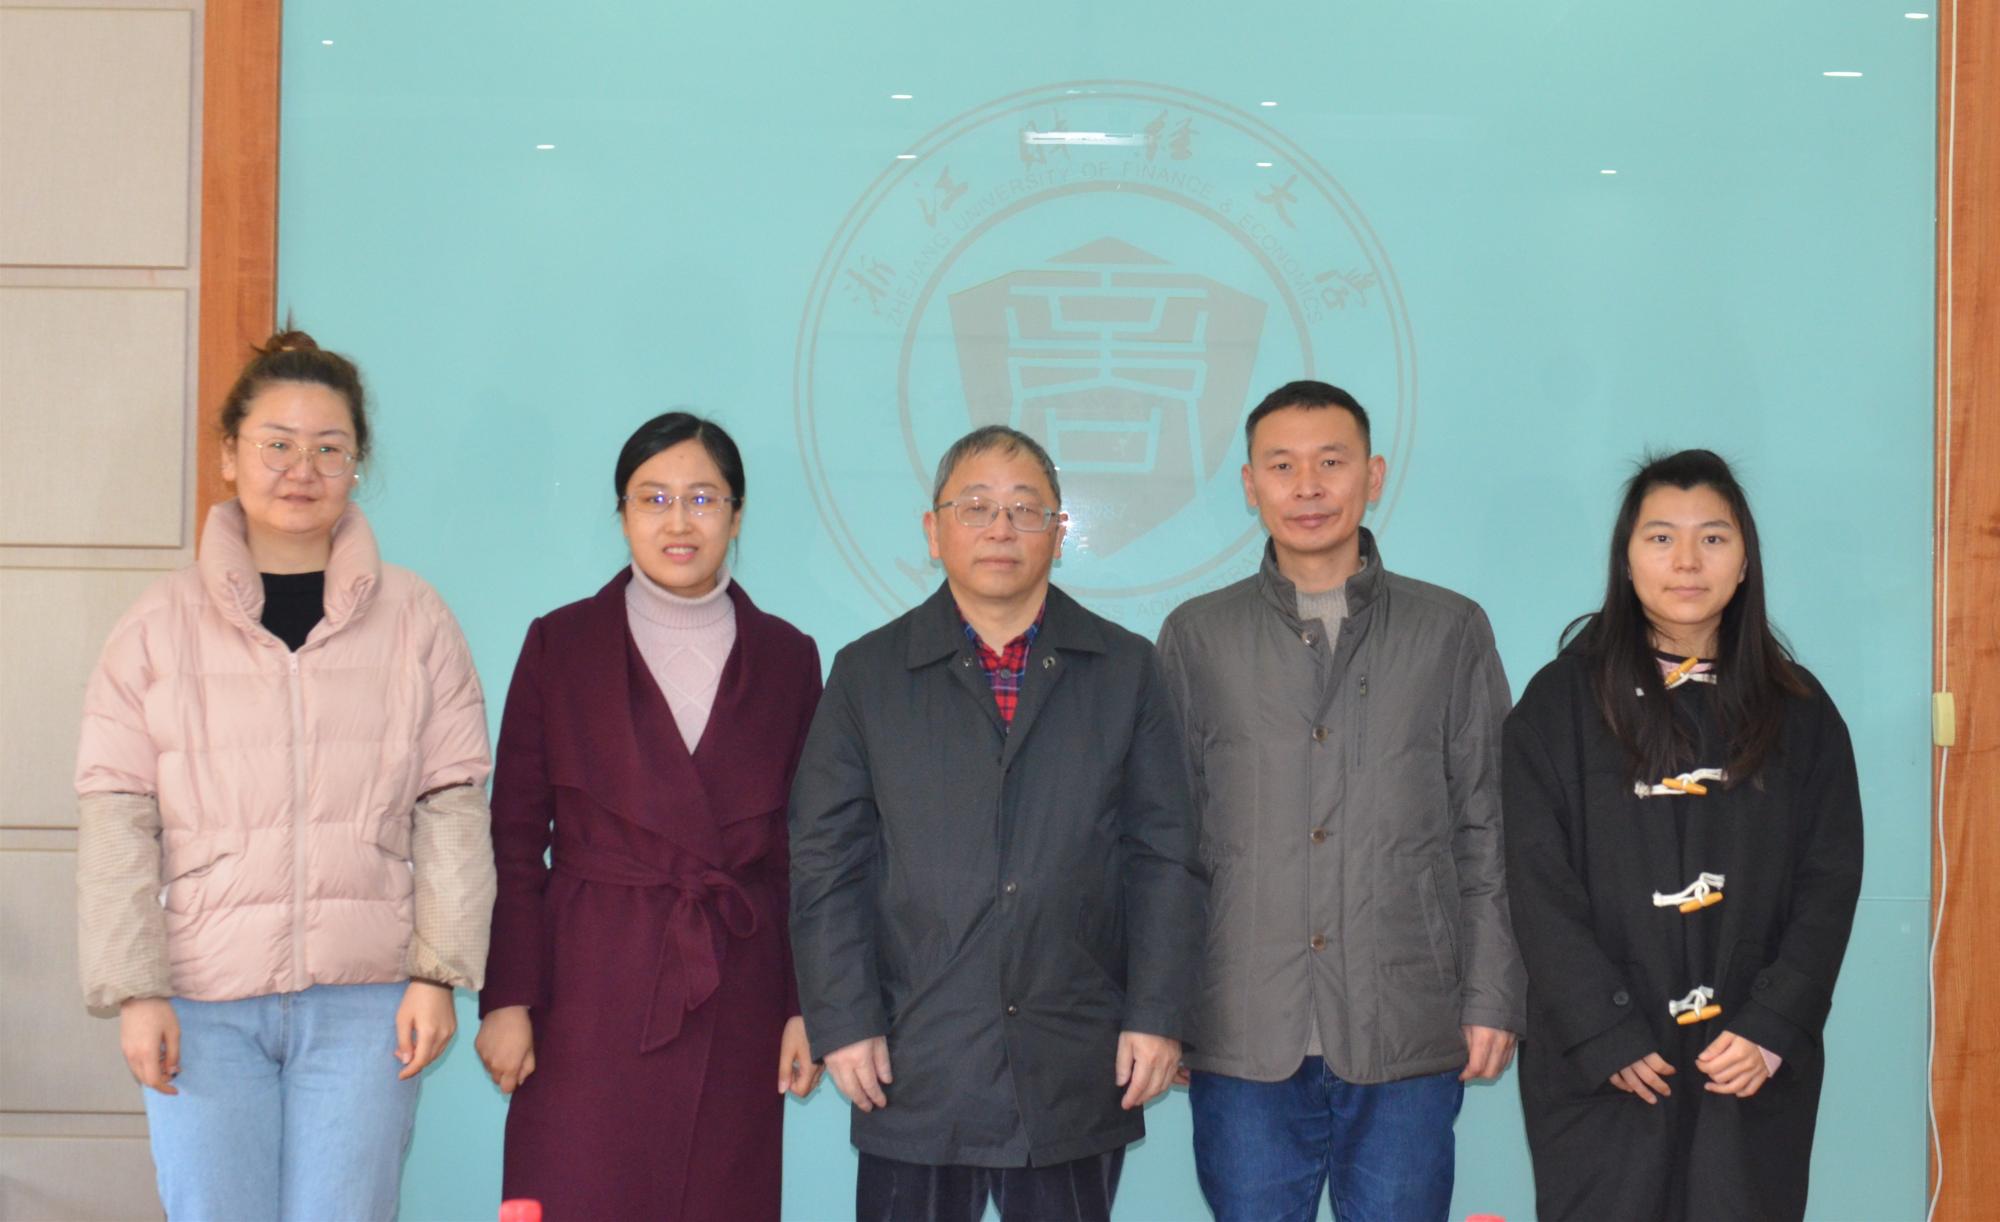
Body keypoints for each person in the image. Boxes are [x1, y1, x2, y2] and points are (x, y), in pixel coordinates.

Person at [74, 330, 497, 1221]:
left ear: (357, 464)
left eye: (328, 448)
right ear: (230, 455)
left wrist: (437, 973)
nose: (302, 469)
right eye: (277, 444)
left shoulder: (416, 619)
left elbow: (452, 807)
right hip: (201, 1004)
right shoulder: (156, 626)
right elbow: (117, 817)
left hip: (366, 1007)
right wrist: (136, 990)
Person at [789, 425, 1205, 1222]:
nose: (1001, 529)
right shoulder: (868, 675)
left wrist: (1158, 1016)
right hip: (912, 1057)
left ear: (1059, 530)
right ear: (933, 530)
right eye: (975, 507)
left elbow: (1165, 858)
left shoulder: (1124, 670)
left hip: (1074, 1057)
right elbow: (825, 862)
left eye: (1025, 509)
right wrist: (844, 1021)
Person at [1155, 380, 1526, 1222]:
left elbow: (1487, 825)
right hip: (1242, 1027)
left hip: (1408, 1023)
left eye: (1331, 462)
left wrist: (1492, 996)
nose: (1308, 486)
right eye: (1282, 466)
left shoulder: (1449, 630)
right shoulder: (1197, 637)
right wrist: (1162, 1008)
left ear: (1374, 475)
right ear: (1250, 485)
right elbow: (1166, 845)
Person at [473, 412, 823, 1220]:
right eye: (653, 497)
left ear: (737, 515)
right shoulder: (561, 644)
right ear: (622, 513)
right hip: (585, 988)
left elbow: (805, 854)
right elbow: (515, 840)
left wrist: (805, 1005)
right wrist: (507, 998)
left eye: (703, 498)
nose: (678, 521)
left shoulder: (788, 656)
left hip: (737, 982)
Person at [1502, 448, 1863, 1221]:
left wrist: (1773, 1024)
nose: (1688, 561)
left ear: (1745, 561)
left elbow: (1830, 883)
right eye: (1661, 537)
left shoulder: (1801, 712)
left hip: (1747, 1059)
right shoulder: (1557, 705)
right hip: (1608, 1066)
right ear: (1627, 558)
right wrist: (1603, 1029)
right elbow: (1534, 883)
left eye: (1714, 538)